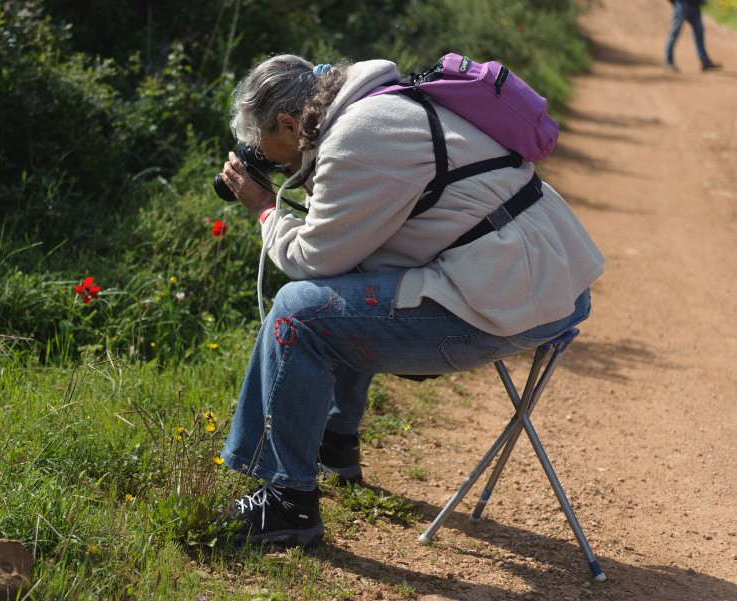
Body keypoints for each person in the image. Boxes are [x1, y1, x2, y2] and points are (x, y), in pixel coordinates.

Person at [216, 54, 605, 548]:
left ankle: (287, 502)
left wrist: (265, 207)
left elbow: (311, 259)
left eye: (268, 149)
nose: (269, 161)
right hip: (547, 282)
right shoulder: (386, 103)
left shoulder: (358, 138)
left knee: (300, 311)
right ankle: (333, 443)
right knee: (352, 279)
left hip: (509, 301)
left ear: (290, 124)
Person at [664, 0, 721, 72]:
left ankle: (704, 61)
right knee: (675, 33)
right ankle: (668, 61)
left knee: (699, 31)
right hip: (682, 5)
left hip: (695, 5)